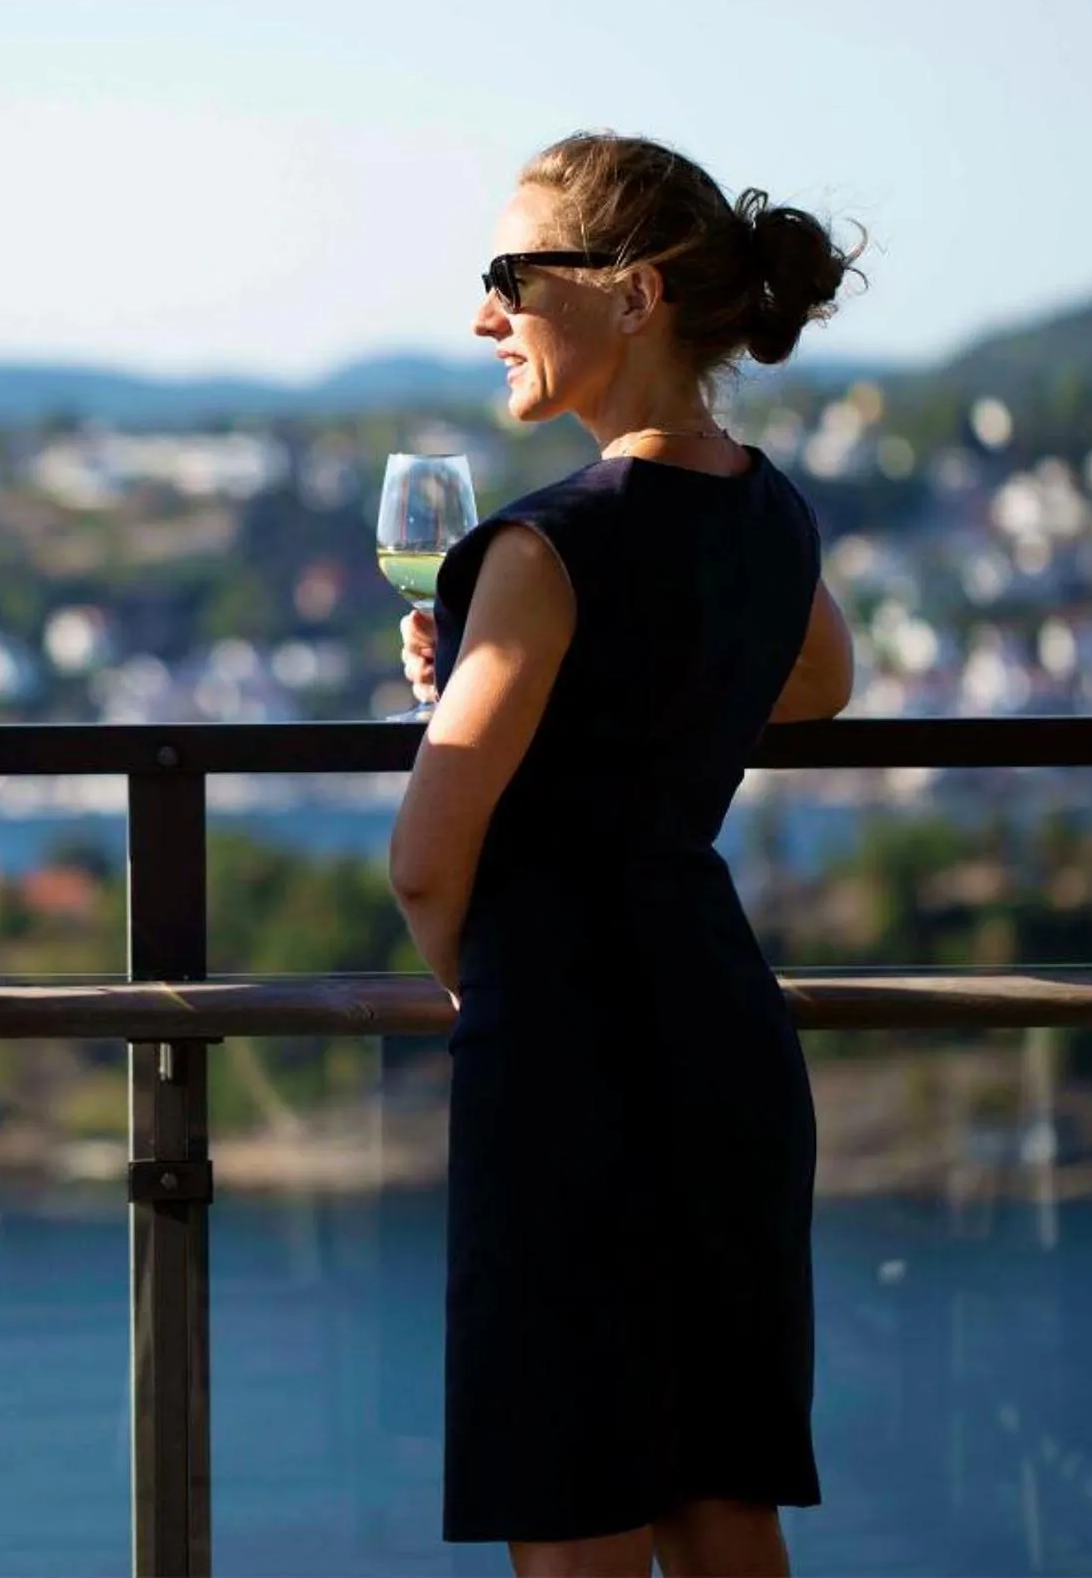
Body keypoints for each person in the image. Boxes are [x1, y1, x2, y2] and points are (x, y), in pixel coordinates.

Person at [390, 132, 858, 1578]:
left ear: (637, 294)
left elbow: (424, 856)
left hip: (568, 1056)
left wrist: (487, 984)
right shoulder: (770, 506)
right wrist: (589, 686)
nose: (484, 314)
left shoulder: (546, 547)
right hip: (722, 1026)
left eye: (510, 277)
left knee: (577, 1503)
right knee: (725, 1498)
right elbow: (818, 680)